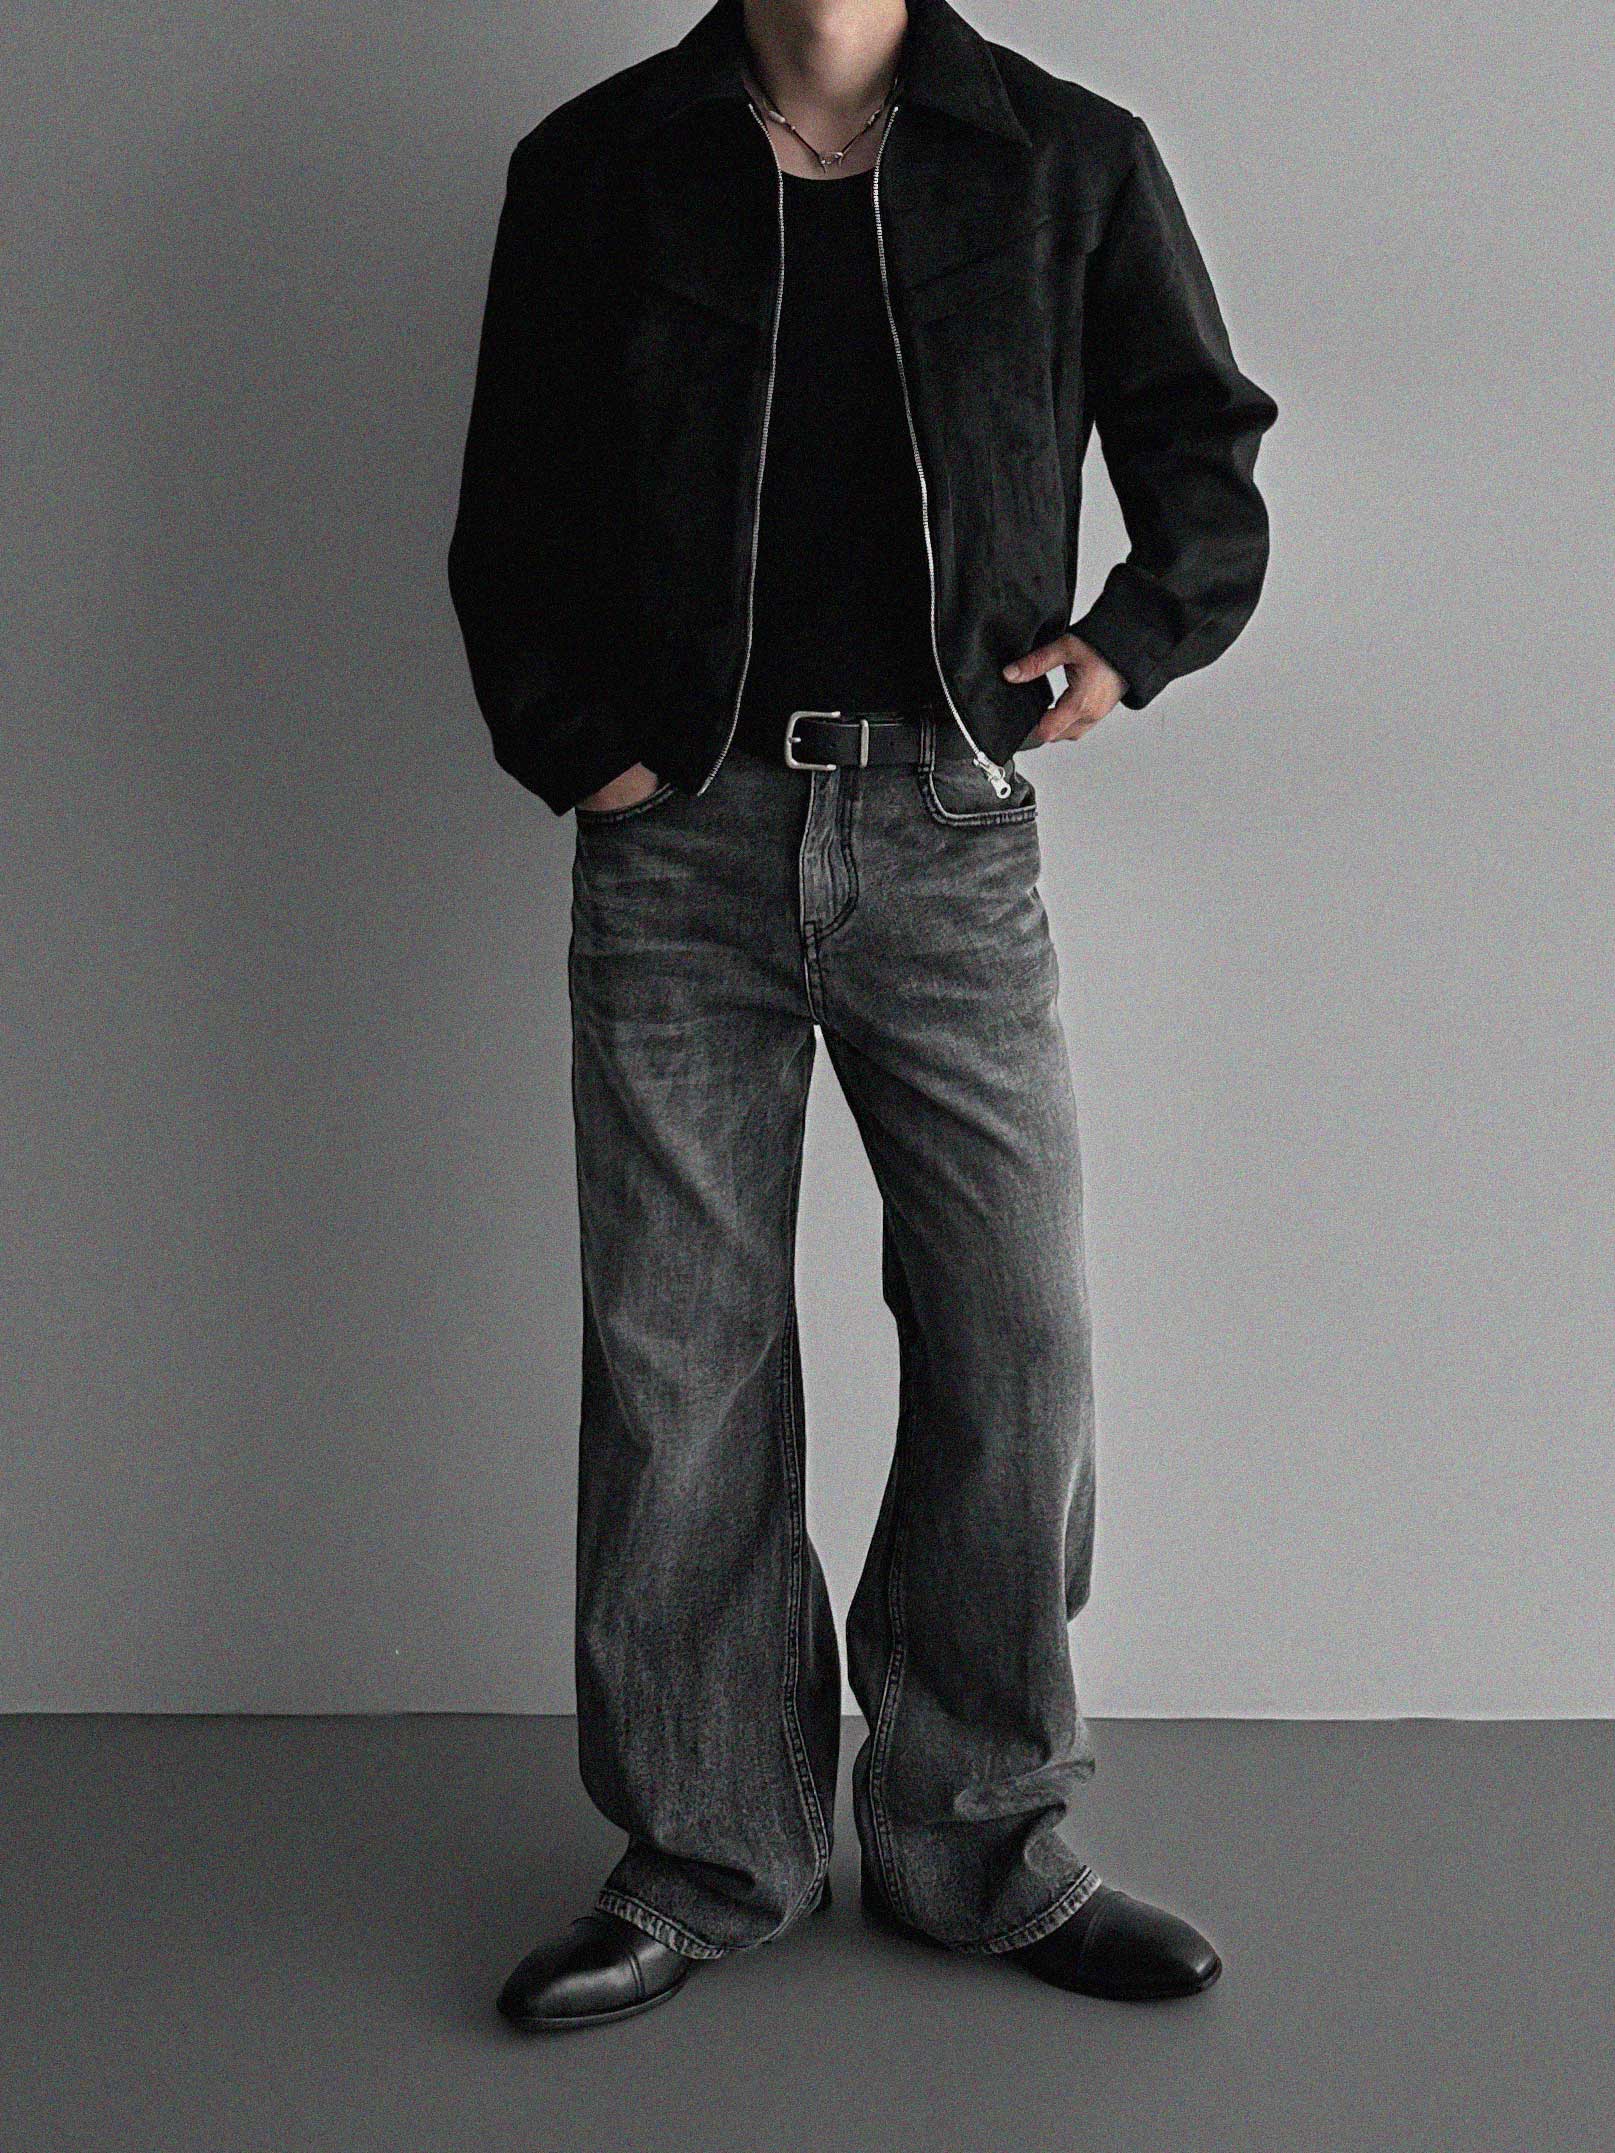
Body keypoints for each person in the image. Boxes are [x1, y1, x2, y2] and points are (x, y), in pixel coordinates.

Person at [447, 0, 1277, 2030]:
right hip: (679, 843)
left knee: (1015, 1329)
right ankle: (709, 1850)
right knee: (680, 1360)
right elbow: (512, 509)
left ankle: (979, 1839)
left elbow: (1201, 443)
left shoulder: (1065, 159)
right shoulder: (599, 166)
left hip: (947, 830)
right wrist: (578, 744)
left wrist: (1133, 636)